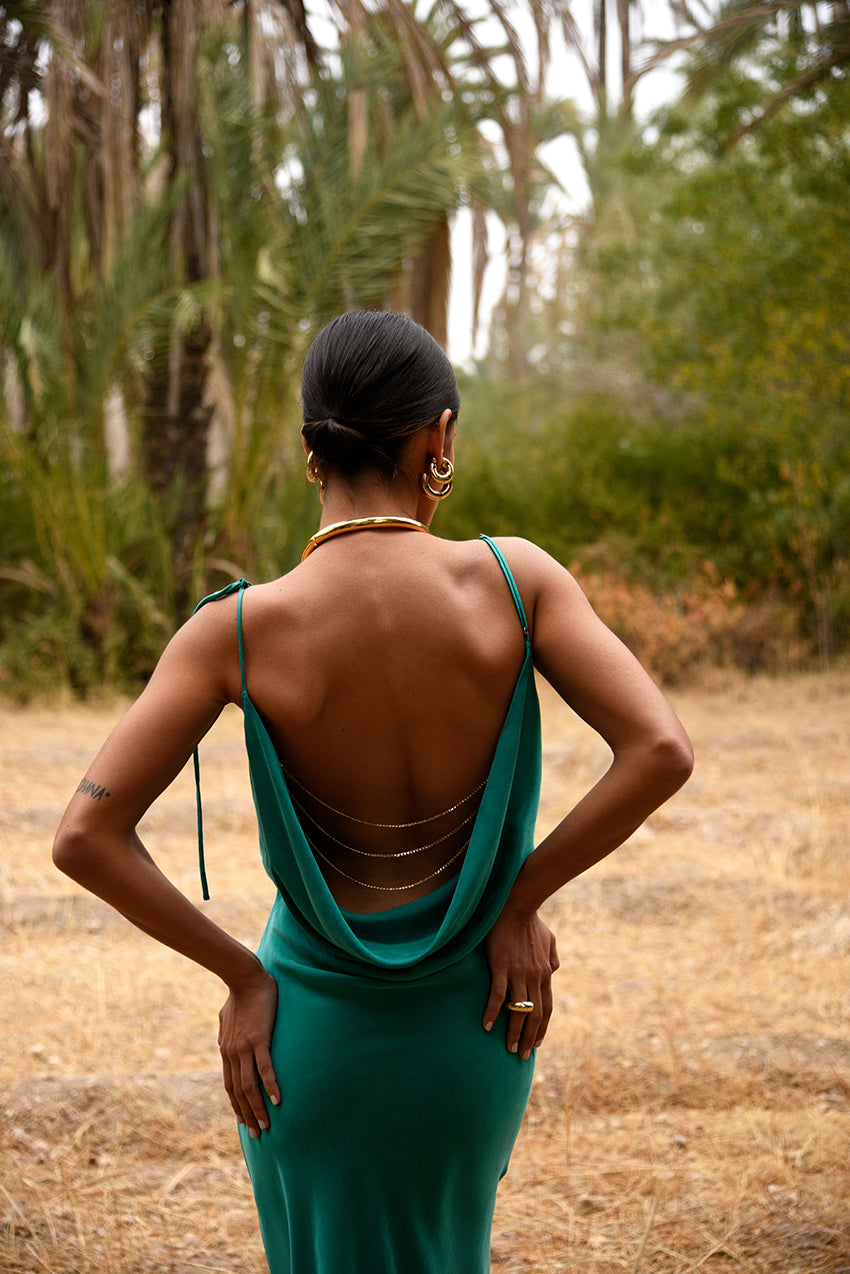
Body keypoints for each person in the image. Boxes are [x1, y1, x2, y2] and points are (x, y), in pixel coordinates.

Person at [53, 309, 693, 1274]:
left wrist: (244, 977)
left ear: (312, 450)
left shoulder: (239, 631)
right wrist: (520, 900)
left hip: (303, 1043)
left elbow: (84, 836)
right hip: (477, 1019)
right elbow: (660, 749)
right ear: (437, 437)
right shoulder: (517, 585)